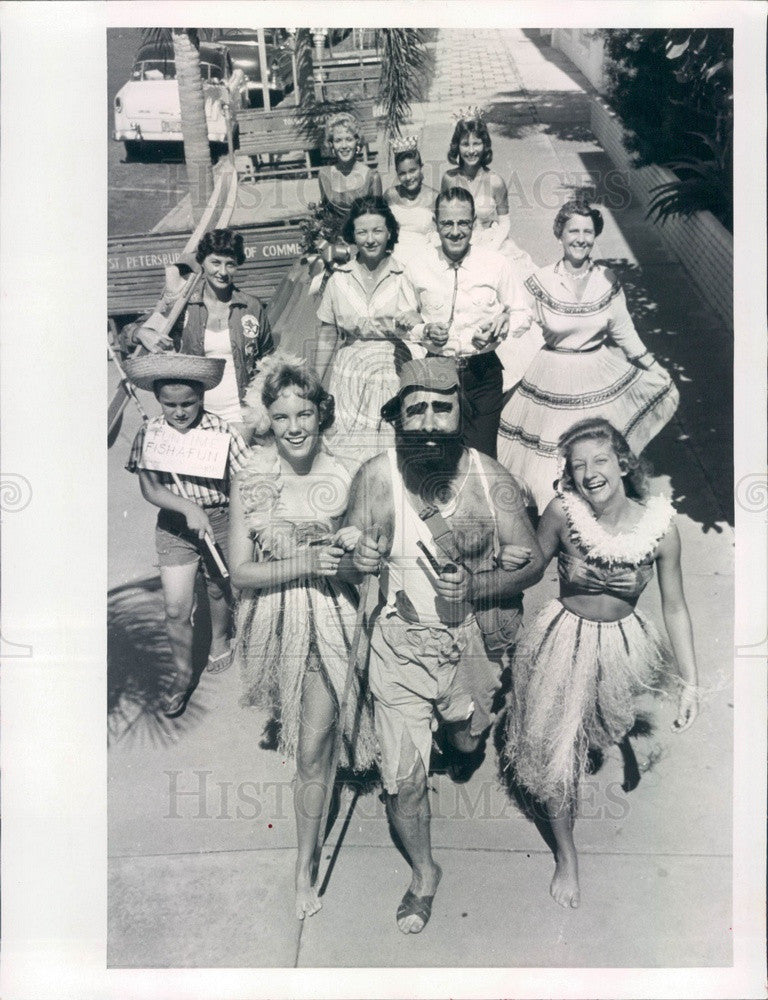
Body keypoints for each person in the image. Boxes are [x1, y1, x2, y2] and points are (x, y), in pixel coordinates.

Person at [348, 357, 545, 934]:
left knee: (468, 734)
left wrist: (480, 584)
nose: (430, 423)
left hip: (472, 648)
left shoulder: (492, 479)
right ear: (398, 418)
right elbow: (347, 556)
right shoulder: (375, 477)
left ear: (461, 412)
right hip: (398, 647)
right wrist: (355, 560)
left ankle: (460, 742)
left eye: (442, 407)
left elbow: (532, 562)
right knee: (404, 779)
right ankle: (424, 874)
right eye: (417, 409)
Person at [502, 417, 699, 909]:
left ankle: (592, 730)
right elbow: (530, 567)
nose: (591, 473)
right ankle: (566, 856)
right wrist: (511, 561)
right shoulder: (562, 513)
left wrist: (690, 683)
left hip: (622, 645)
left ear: (624, 464)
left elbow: (675, 606)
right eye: (579, 465)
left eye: (601, 460)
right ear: (569, 475)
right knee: (556, 752)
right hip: (562, 638)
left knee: (602, 726)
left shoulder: (660, 528)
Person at [229, 354, 377, 921]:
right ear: (268, 418)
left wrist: (352, 556)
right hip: (283, 622)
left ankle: (310, 860)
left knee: (329, 741)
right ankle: (306, 858)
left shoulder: (348, 474)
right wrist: (310, 562)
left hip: (340, 617)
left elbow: (367, 561)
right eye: (282, 415)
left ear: (321, 414)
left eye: (305, 413)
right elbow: (241, 571)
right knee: (309, 743)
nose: (294, 427)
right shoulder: (253, 479)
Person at [497, 197, 680, 513]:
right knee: (549, 463)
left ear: (595, 236)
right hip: (552, 374)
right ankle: (555, 521)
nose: (580, 238)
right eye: (573, 231)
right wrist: (495, 323)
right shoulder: (540, 280)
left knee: (598, 453)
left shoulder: (607, 279)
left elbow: (624, 331)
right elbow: (515, 316)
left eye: (587, 231)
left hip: (598, 372)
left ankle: (601, 516)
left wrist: (653, 365)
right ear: (560, 235)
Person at [124, 353, 251, 717]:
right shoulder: (151, 432)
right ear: (158, 401)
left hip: (222, 517)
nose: (179, 412)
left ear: (202, 398)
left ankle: (219, 638)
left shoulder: (221, 431)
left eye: (188, 404)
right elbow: (150, 489)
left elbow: (243, 478)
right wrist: (188, 509)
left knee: (217, 586)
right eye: (170, 404)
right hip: (175, 524)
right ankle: (181, 676)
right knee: (176, 606)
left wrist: (220, 514)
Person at [402, 187, 534, 460]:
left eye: (463, 223)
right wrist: (423, 331)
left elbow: (523, 312)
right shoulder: (417, 266)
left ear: (473, 223)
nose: (455, 231)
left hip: (483, 375)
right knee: (439, 459)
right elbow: (402, 321)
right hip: (436, 374)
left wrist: (504, 323)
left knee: (482, 458)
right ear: (435, 225)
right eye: (447, 223)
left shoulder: (496, 263)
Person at [128, 228, 273, 437]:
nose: (223, 272)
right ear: (202, 262)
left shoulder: (251, 307)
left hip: (240, 415)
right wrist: (140, 333)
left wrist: (257, 411)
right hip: (195, 414)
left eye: (230, 264)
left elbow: (267, 360)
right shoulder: (183, 303)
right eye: (216, 262)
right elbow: (131, 334)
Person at [313, 195, 423, 468]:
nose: (370, 239)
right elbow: (328, 334)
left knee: (390, 451)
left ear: (389, 233)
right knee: (348, 454)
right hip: (349, 373)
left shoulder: (405, 275)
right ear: (353, 235)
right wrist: (314, 383)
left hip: (392, 369)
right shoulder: (339, 278)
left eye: (377, 230)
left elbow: (420, 323)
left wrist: (416, 318)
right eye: (362, 232)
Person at [270, 112, 383, 359]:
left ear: (358, 141)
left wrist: (358, 249)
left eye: (349, 139)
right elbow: (324, 214)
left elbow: (379, 222)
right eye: (338, 140)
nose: (344, 146)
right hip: (332, 249)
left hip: (362, 250)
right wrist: (321, 241)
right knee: (309, 286)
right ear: (331, 145)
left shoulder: (371, 176)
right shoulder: (324, 175)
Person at [441, 107, 533, 276]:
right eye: (465, 144)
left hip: (490, 242)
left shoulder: (496, 182)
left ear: (485, 145)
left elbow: (505, 222)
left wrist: (490, 250)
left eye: (476, 143)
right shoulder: (449, 179)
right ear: (457, 147)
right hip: (457, 241)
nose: (471, 151)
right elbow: (443, 217)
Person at [384, 139, 438, 267]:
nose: (408, 177)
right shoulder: (390, 195)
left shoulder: (434, 197)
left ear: (421, 168)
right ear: (397, 173)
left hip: (425, 260)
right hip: (395, 259)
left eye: (412, 170)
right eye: (402, 173)